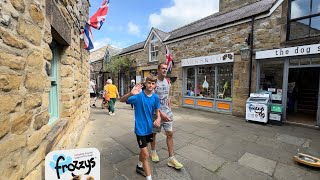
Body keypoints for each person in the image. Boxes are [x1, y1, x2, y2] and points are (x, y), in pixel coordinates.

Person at [120, 75, 161, 180]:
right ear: (145, 83)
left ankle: (139, 165)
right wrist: (130, 93)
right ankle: (149, 177)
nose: (150, 85)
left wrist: (158, 118)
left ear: (155, 85)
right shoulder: (138, 96)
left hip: (150, 129)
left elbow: (157, 110)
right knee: (146, 155)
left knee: (144, 150)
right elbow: (121, 100)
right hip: (140, 130)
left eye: (152, 83)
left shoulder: (155, 97)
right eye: (148, 83)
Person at [150, 63, 183, 169]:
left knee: (170, 134)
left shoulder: (168, 81)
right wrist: (161, 114)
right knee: (154, 133)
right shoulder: (154, 83)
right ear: (158, 70)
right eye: (163, 68)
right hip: (156, 113)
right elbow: (152, 101)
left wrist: (170, 109)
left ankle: (171, 159)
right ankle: (153, 152)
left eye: (166, 69)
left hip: (167, 112)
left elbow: (168, 97)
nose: (165, 70)